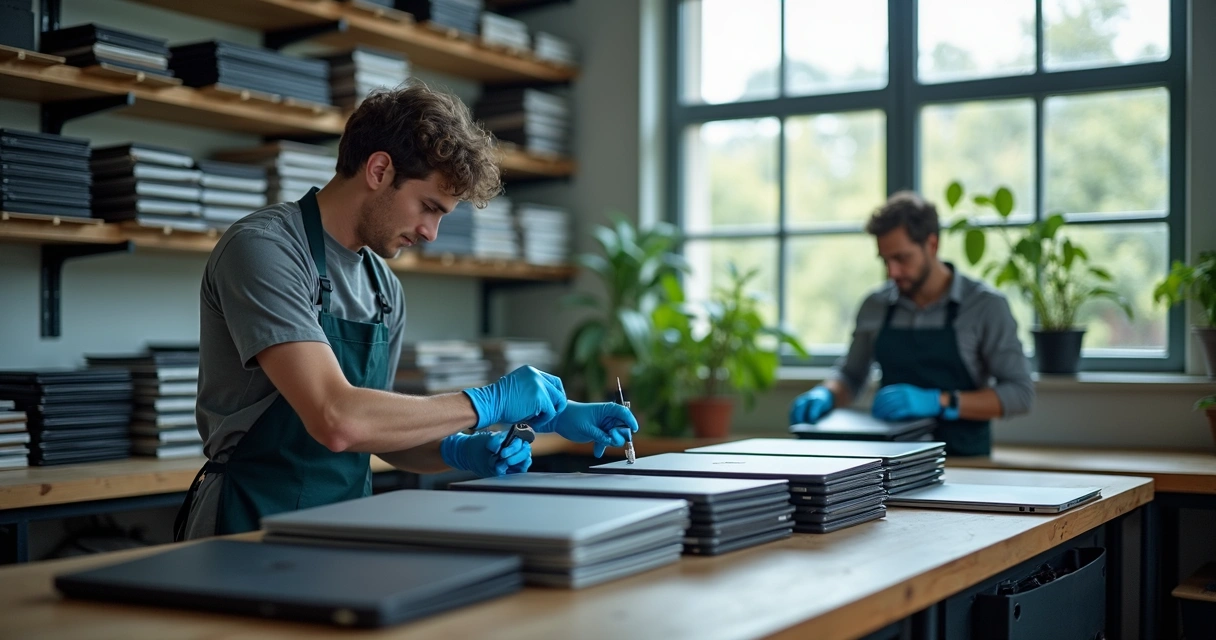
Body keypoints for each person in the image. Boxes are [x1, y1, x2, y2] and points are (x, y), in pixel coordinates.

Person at [175, 83, 634, 540]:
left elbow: (376, 429)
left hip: (344, 526)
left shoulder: (384, 288)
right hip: (246, 521)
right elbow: (337, 419)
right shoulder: (266, 250)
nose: (431, 233)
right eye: (428, 207)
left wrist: (462, 450)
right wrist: (487, 402)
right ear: (379, 169)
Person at [788, 191, 1034, 457]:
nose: (892, 272)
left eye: (901, 258)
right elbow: (851, 375)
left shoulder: (985, 306)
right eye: (885, 260)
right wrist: (825, 394)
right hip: (888, 465)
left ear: (932, 244)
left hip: (964, 462)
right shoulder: (875, 305)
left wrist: (939, 402)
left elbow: (1019, 394)